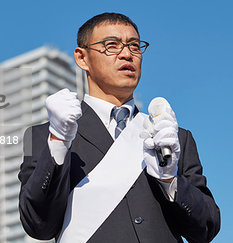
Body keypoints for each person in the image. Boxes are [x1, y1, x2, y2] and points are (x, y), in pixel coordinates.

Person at [18, 13, 221, 243]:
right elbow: (37, 224)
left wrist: (170, 180)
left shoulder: (174, 137)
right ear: (82, 58)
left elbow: (207, 227)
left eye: (135, 46)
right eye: (111, 45)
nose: (127, 54)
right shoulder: (44, 136)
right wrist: (58, 141)